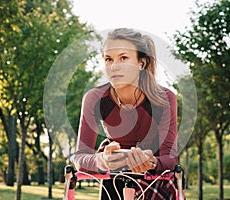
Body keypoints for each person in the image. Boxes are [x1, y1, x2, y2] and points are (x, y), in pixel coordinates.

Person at [73, 28, 178, 199]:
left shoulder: (165, 98)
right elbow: (80, 157)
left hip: (154, 176)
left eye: (123, 58)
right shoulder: (95, 98)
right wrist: (101, 160)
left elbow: (170, 157)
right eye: (108, 59)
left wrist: (151, 162)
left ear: (141, 63)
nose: (114, 66)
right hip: (115, 174)